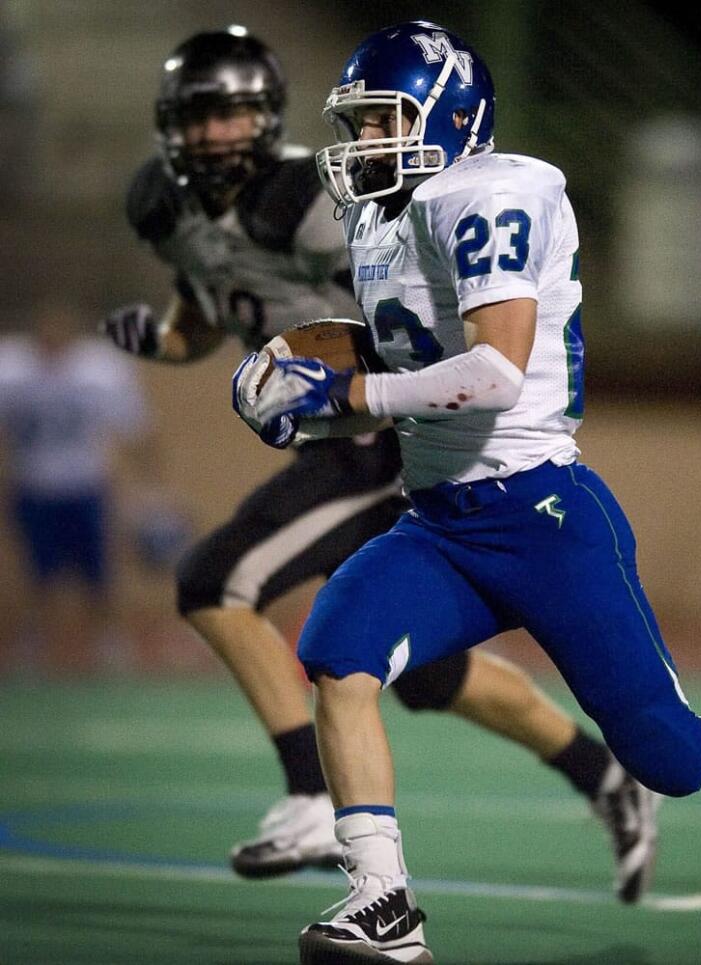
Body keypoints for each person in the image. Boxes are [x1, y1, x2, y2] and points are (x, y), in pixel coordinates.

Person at [242, 20, 701, 964]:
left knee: (668, 757)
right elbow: (410, 372)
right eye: (356, 125)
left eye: (383, 121)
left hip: (543, 517)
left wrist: (349, 390)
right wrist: (310, 402)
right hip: (442, 522)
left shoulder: (487, 192)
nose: (364, 144)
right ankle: (383, 903)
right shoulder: (379, 217)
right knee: (338, 650)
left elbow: (495, 372)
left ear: (448, 119)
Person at [104, 26, 658, 900]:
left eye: (230, 113)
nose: (212, 134)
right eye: (197, 118)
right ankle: (603, 777)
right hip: (358, 428)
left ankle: (310, 795)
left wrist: (334, 384)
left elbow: (388, 319)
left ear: (266, 116)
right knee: (427, 674)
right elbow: (213, 302)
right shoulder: (166, 206)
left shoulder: (321, 200)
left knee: (215, 583)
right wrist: (172, 340)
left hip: (374, 435)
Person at [0, 298, 147, 673]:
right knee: (36, 574)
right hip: (33, 486)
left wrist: (150, 486)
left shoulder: (97, 371)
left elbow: (134, 429)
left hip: (85, 485)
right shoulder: (13, 371)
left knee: (98, 574)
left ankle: (109, 644)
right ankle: (31, 646)